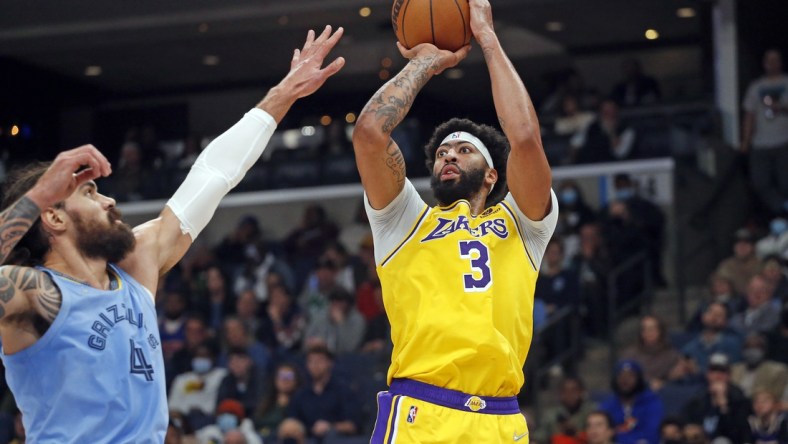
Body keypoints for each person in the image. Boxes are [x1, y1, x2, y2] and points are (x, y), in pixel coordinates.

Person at [0, 26, 345, 443]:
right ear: (53, 219)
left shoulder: (136, 267)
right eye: (89, 193)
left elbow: (213, 175)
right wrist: (38, 195)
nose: (109, 202)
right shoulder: (32, 293)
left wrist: (284, 93)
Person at [352, 0, 557, 441]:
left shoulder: (524, 224)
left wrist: (487, 37)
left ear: (491, 174)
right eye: (443, 151)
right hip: (422, 412)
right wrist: (426, 61)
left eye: (463, 150)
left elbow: (523, 138)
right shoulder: (405, 220)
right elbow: (370, 134)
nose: (448, 154)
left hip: (501, 420)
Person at [740, 49, 788, 216]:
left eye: (776, 60)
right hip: (760, 143)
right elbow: (749, 115)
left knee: (785, 183)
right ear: (764, 63)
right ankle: (782, 208)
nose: (772, 63)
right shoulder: (756, 87)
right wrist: (745, 141)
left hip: (784, 141)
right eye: (769, 60)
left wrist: (780, 107)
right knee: (760, 183)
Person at [599, 360, 664, 444]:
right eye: (621, 376)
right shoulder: (607, 405)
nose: (625, 380)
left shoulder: (652, 402)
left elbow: (652, 432)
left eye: (630, 376)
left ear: (639, 379)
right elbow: (602, 434)